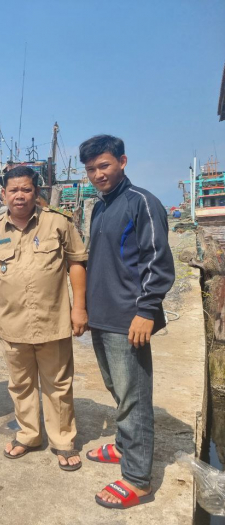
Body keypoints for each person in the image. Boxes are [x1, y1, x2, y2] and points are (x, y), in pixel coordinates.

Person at [0, 165, 88, 472]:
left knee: (58, 385)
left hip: (52, 321)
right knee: (20, 385)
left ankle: (63, 440)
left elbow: (77, 263)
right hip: (12, 323)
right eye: (13, 190)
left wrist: (79, 308)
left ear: (36, 192)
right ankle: (29, 435)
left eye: (25, 189)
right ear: (4, 194)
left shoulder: (58, 222)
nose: (19, 196)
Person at [79, 135, 174, 509]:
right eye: (91, 169)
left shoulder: (142, 202)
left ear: (122, 161)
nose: (98, 174)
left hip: (129, 318)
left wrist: (146, 310)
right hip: (102, 316)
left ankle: (137, 479)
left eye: (104, 165)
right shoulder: (100, 207)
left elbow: (158, 261)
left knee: (134, 397)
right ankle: (124, 445)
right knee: (116, 388)